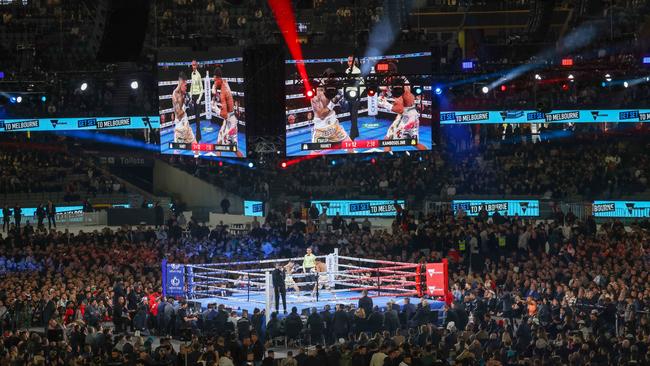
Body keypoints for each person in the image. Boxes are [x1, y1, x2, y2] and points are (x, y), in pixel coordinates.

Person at [310, 68, 351, 146]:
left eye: (334, 79)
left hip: (334, 125)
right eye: (331, 79)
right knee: (315, 152)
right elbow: (321, 114)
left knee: (349, 144)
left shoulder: (334, 89)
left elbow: (344, 108)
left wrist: (342, 99)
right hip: (321, 128)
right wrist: (333, 102)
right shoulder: (317, 95)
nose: (332, 82)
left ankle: (354, 158)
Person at [213, 66, 243, 157]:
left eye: (215, 80)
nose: (214, 82)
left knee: (229, 147)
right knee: (220, 144)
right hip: (231, 120)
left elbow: (225, 115)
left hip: (229, 121)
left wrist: (215, 108)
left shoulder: (223, 92)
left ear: (218, 78)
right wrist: (215, 90)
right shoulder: (225, 82)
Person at [173, 72, 197, 144]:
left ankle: (198, 155)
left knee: (195, 145)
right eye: (185, 85)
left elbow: (190, 108)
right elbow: (179, 114)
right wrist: (185, 106)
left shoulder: (184, 93)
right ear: (181, 83)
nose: (186, 87)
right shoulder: (175, 95)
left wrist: (190, 104)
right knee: (177, 149)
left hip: (186, 122)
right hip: (180, 126)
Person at [344, 55, 362, 140]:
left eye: (351, 61)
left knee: (354, 116)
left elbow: (362, 85)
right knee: (352, 116)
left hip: (355, 96)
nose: (349, 62)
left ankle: (352, 136)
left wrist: (358, 94)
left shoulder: (358, 71)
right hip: (348, 96)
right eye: (348, 61)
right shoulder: (346, 71)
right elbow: (345, 84)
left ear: (354, 62)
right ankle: (356, 132)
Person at [189, 60, 204, 142]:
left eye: (194, 65)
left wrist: (199, 99)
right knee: (195, 117)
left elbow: (202, 89)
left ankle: (198, 137)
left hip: (198, 96)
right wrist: (191, 96)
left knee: (198, 118)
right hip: (193, 97)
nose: (193, 66)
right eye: (192, 65)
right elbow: (191, 86)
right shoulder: (192, 74)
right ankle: (198, 136)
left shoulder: (198, 75)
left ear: (197, 66)